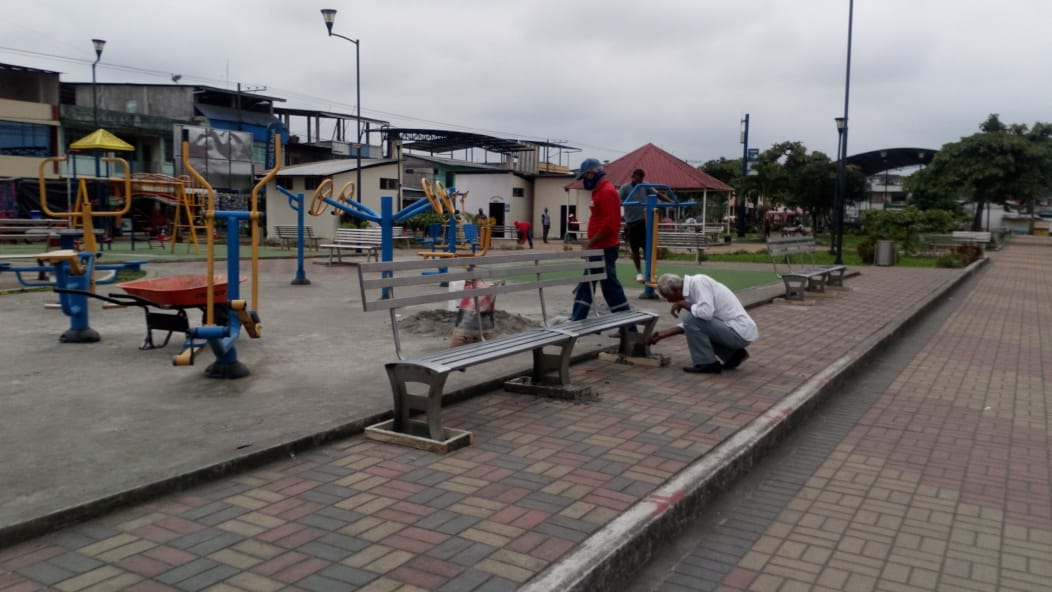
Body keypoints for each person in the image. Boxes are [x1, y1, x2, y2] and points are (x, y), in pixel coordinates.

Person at [648, 272, 758, 374]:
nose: (669, 301)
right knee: (691, 321)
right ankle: (733, 355)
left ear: (675, 290)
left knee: (690, 318)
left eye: (667, 297)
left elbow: (705, 314)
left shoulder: (699, 282)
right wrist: (662, 335)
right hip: (737, 332)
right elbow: (692, 325)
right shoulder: (692, 290)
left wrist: (684, 304)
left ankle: (707, 363)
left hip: (738, 332)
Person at [569, 158, 632, 321]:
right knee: (590, 284)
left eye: (585, 177)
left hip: (604, 248)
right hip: (600, 247)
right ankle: (577, 318)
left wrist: (589, 244)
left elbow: (608, 225)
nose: (584, 181)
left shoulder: (606, 192)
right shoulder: (599, 191)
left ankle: (627, 325)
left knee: (608, 286)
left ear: (591, 173)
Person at [619, 169, 649, 282]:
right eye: (637, 179)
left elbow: (657, 193)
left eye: (641, 180)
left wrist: (672, 201)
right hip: (631, 223)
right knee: (635, 249)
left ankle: (649, 272)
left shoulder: (645, 185)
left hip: (643, 222)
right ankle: (639, 272)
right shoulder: (625, 188)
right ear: (633, 177)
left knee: (647, 249)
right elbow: (617, 199)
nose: (639, 182)